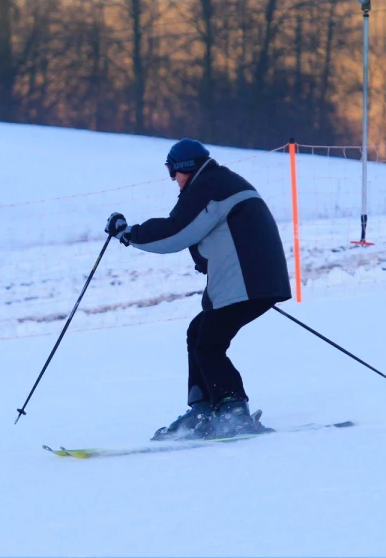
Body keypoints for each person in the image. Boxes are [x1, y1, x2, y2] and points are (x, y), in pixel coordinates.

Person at [105, 138, 292, 440]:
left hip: (245, 280)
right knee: (199, 332)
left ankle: (232, 411)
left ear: (185, 167)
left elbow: (175, 231)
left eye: (172, 172)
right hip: (254, 279)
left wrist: (129, 234)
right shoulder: (218, 181)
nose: (173, 180)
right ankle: (203, 409)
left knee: (208, 342)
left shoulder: (208, 186)